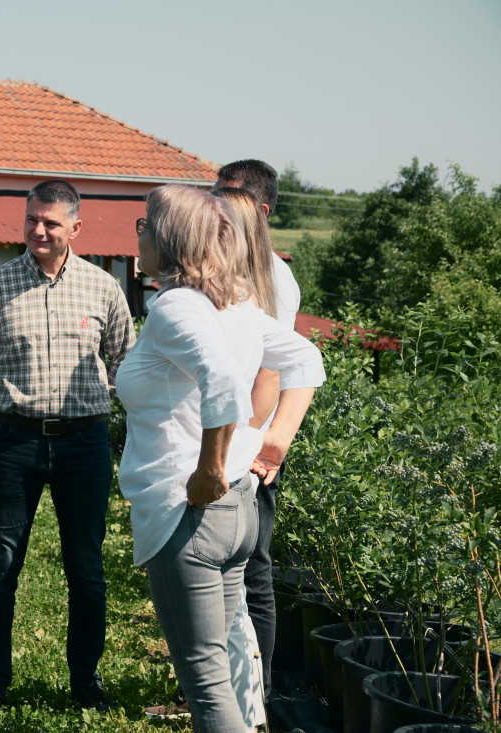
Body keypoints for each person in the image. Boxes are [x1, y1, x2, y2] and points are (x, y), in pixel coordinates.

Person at [116, 184, 325, 732]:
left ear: (169, 238)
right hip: (237, 513)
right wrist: (274, 439)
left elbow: (226, 381)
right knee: (222, 674)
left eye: (144, 225)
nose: (138, 235)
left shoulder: (175, 306)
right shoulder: (234, 306)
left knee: (206, 683)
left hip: (189, 514)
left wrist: (210, 466)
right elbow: (306, 360)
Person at [0, 180, 135, 716]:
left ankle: (86, 681)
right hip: (14, 443)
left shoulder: (103, 289)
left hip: (84, 444)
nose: (38, 230)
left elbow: (126, 362)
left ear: (76, 227)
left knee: (87, 566)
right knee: (1, 560)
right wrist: (1, 404)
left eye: (51, 223)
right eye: (32, 219)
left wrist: (109, 404)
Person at [214, 160, 301, 692]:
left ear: (258, 210)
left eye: (228, 197)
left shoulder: (272, 277)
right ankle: (213, 686)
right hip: (218, 439)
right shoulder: (219, 266)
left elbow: (272, 372)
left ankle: (258, 693)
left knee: (252, 568)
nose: (215, 206)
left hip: (247, 449)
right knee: (216, 570)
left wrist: (246, 445)